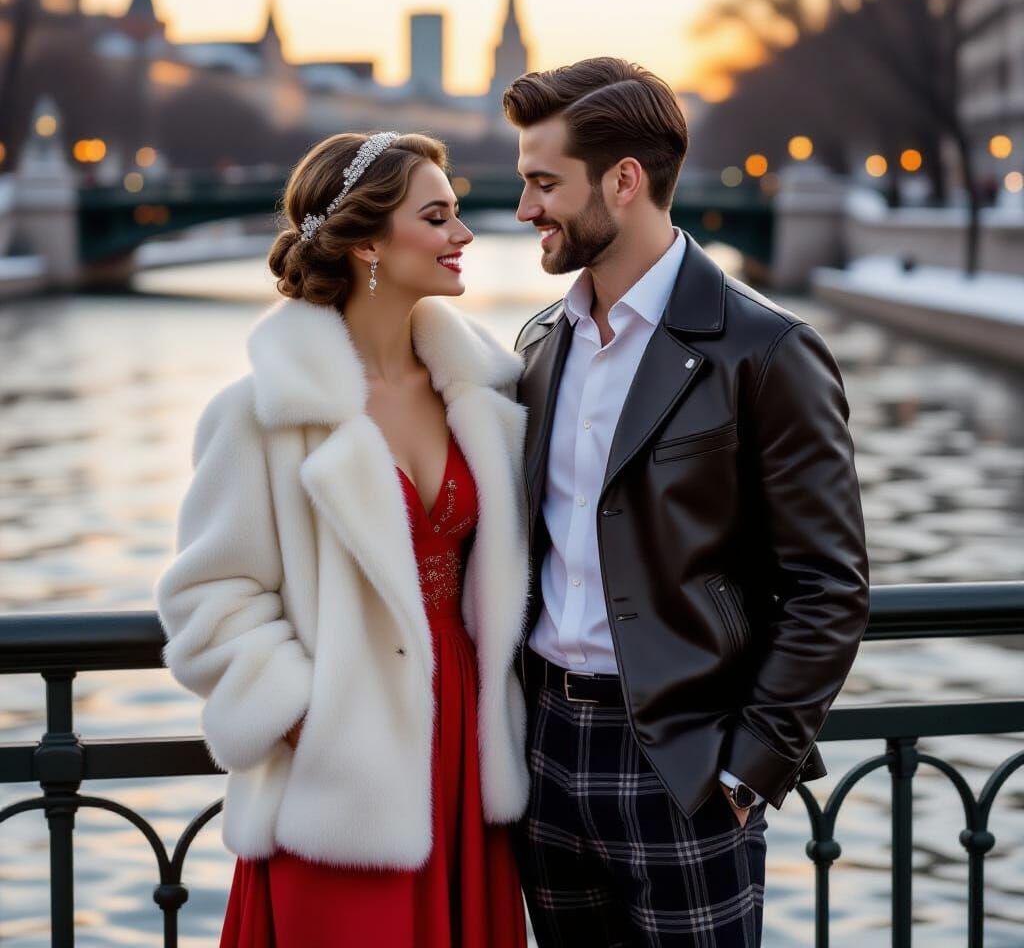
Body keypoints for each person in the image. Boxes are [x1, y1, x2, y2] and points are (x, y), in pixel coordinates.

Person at [504, 58, 870, 947]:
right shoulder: (539, 343)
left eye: (544, 183)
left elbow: (830, 587)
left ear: (624, 182)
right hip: (544, 755)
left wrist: (747, 773)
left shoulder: (767, 350)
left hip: (684, 766)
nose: (523, 209)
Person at [156, 131, 530, 948]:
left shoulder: (487, 393)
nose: (464, 235)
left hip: (468, 744)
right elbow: (206, 602)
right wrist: (308, 722)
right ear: (366, 240)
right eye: (438, 217)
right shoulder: (260, 413)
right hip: (342, 776)